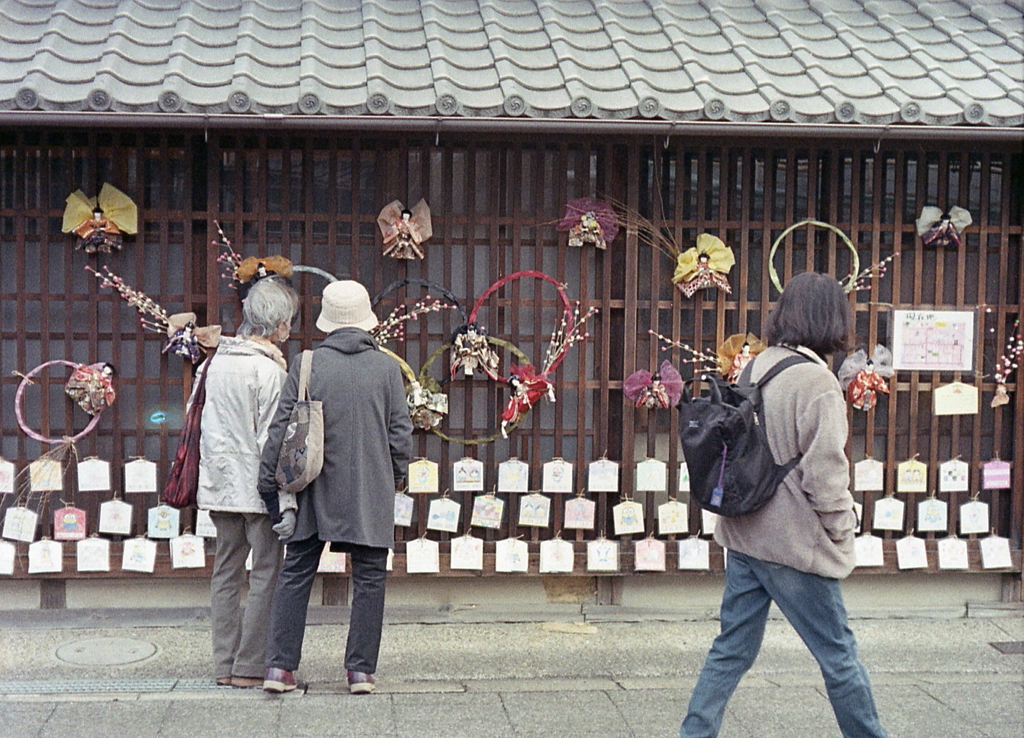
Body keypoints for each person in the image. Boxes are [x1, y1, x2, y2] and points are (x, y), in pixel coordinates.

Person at [679, 272, 887, 738]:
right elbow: (826, 474)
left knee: (730, 650)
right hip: (793, 545)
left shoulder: (755, 366)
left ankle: (694, 733)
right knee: (839, 657)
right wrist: (841, 531)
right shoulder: (817, 383)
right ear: (831, 320)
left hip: (744, 536)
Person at [259, 279, 413, 695]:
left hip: (311, 486)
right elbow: (401, 433)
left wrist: (269, 485)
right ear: (365, 321)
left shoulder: (307, 363)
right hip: (369, 485)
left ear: (328, 322)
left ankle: (279, 669)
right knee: (369, 578)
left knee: (296, 573)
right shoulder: (386, 368)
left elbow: (280, 430)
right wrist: (397, 476)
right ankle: (360, 672)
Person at [196, 277, 299, 688]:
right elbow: (271, 442)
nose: (289, 330)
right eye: (288, 322)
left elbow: (200, 424)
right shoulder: (268, 371)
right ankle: (250, 666)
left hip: (220, 482)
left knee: (225, 570)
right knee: (266, 571)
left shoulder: (214, 362)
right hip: (259, 487)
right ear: (276, 326)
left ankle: (224, 664)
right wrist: (285, 497)